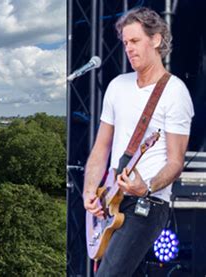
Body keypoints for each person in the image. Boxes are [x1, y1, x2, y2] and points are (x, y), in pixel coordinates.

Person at [83, 7, 194, 276]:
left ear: (155, 39)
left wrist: (146, 187)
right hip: (111, 199)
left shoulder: (174, 91)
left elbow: (176, 162)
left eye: (135, 41)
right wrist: (89, 192)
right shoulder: (117, 85)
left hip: (149, 204)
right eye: (125, 43)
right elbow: (101, 147)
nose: (128, 49)